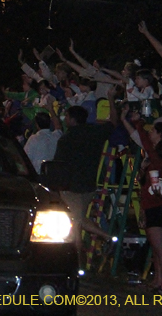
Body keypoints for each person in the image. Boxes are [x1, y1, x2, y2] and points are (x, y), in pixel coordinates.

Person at [121, 107, 162, 294]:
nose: (150, 134)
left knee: (160, 248)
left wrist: (139, 123)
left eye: (153, 131)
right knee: (156, 248)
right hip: (150, 204)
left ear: (159, 134)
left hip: (157, 205)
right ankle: (159, 281)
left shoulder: (160, 156)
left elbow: (145, 143)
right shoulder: (154, 158)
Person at [51, 104, 113, 267]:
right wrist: (112, 100)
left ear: (71, 119)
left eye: (67, 116)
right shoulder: (94, 133)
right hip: (88, 185)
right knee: (77, 221)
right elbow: (113, 122)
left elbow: (58, 165)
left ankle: (79, 264)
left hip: (71, 187)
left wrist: (55, 186)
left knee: (75, 226)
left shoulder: (66, 139)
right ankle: (104, 239)